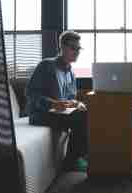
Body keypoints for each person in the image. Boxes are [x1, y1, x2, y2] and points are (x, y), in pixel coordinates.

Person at [25, 31, 88, 172]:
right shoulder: (46, 65)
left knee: (86, 112)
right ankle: (72, 161)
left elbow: (70, 98)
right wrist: (52, 103)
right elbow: (31, 94)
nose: (77, 52)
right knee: (82, 117)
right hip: (41, 114)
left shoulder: (71, 73)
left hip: (60, 113)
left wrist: (76, 103)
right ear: (63, 47)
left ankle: (80, 156)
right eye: (73, 48)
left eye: (79, 49)